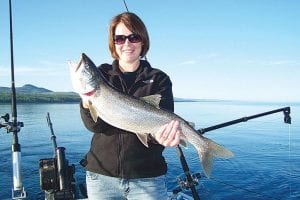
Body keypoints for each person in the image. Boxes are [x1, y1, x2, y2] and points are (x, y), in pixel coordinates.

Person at [79, 12, 181, 200]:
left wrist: (163, 137)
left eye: (133, 37)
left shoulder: (159, 79)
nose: (127, 43)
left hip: (148, 178)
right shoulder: (102, 74)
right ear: (113, 43)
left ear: (143, 41)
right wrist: (87, 102)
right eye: (120, 38)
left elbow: (162, 126)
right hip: (101, 177)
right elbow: (94, 126)